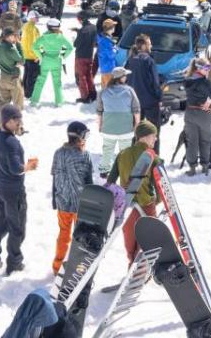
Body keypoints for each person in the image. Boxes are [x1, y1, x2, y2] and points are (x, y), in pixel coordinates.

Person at [0, 104, 38, 274]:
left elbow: (1, 157)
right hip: (13, 191)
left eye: (20, 118)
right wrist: (29, 166)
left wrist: (15, 133)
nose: (20, 122)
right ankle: (14, 262)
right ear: (7, 121)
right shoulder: (11, 143)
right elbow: (15, 168)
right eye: (16, 119)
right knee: (17, 227)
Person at [106, 121, 159, 260]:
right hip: (146, 204)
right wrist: (157, 201)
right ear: (146, 136)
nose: (155, 139)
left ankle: (131, 260)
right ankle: (140, 266)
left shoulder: (122, 154)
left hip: (126, 203)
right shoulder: (152, 157)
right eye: (154, 135)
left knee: (130, 231)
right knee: (149, 237)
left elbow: (110, 181)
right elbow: (159, 185)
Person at [50, 121, 94, 274]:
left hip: (63, 202)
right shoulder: (85, 155)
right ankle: (77, 268)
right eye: (85, 135)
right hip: (80, 204)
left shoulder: (58, 152)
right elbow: (89, 181)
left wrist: (54, 200)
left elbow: (55, 177)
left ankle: (58, 266)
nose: (86, 139)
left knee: (63, 234)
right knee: (80, 237)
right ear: (79, 136)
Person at [97, 67, 141, 177]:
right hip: (125, 129)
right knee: (125, 151)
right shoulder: (130, 91)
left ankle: (104, 170)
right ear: (121, 78)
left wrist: (100, 126)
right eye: (125, 75)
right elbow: (136, 110)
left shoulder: (104, 91)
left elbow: (99, 111)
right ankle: (125, 170)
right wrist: (137, 125)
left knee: (107, 149)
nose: (126, 77)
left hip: (108, 128)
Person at [125, 34, 164, 152]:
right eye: (149, 43)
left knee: (137, 131)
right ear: (143, 45)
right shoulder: (149, 61)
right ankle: (154, 157)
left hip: (135, 104)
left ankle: (135, 155)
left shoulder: (130, 60)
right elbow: (155, 84)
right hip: (150, 102)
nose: (151, 45)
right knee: (154, 132)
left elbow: (125, 80)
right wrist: (159, 98)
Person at [182, 57, 211, 175]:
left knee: (191, 141)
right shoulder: (205, 82)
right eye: (206, 68)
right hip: (204, 113)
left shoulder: (187, 80)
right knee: (205, 140)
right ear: (199, 68)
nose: (208, 70)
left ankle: (192, 167)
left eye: (209, 67)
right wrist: (208, 102)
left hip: (190, 113)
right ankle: (204, 165)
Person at [31, 17, 72, 107]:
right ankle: (59, 101)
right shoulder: (60, 37)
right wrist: (62, 55)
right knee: (57, 82)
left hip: (45, 61)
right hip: (56, 61)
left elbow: (34, 47)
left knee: (40, 81)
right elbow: (70, 48)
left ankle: (34, 100)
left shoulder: (43, 37)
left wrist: (41, 55)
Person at [0, 28, 26, 122]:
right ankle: (17, 127)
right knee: (17, 105)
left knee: (2, 104)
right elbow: (22, 60)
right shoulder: (11, 49)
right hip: (13, 79)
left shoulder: (0, 46)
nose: (16, 37)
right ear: (9, 37)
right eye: (14, 35)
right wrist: (18, 44)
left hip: (3, 78)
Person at [71, 12, 97, 104]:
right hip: (89, 55)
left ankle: (85, 97)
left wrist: (75, 38)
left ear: (81, 19)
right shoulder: (94, 27)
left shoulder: (82, 31)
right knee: (89, 75)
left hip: (80, 56)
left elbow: (76, 44)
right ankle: (93, 93)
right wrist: (78, 31)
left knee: (81, 77)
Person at [95, 18, 118, 91]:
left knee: (105, 87)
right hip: (108, 68)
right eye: (113, 26)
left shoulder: (104, 38)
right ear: (110, 28)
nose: (114, 28)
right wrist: (115, 49)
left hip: (105, 67)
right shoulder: (105, 41)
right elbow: (110, 55)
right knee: (108, 89)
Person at [22, 11, 41, 97]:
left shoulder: (28, 26)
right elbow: (31, 44)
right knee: (32, 76)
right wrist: (36, 56)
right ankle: (29, 94)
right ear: (32, 18)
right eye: (37, 17)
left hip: (27, 56)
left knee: (27, 75)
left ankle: (26, 92)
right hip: (32, 56)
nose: (38, 19)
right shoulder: (31, 28)